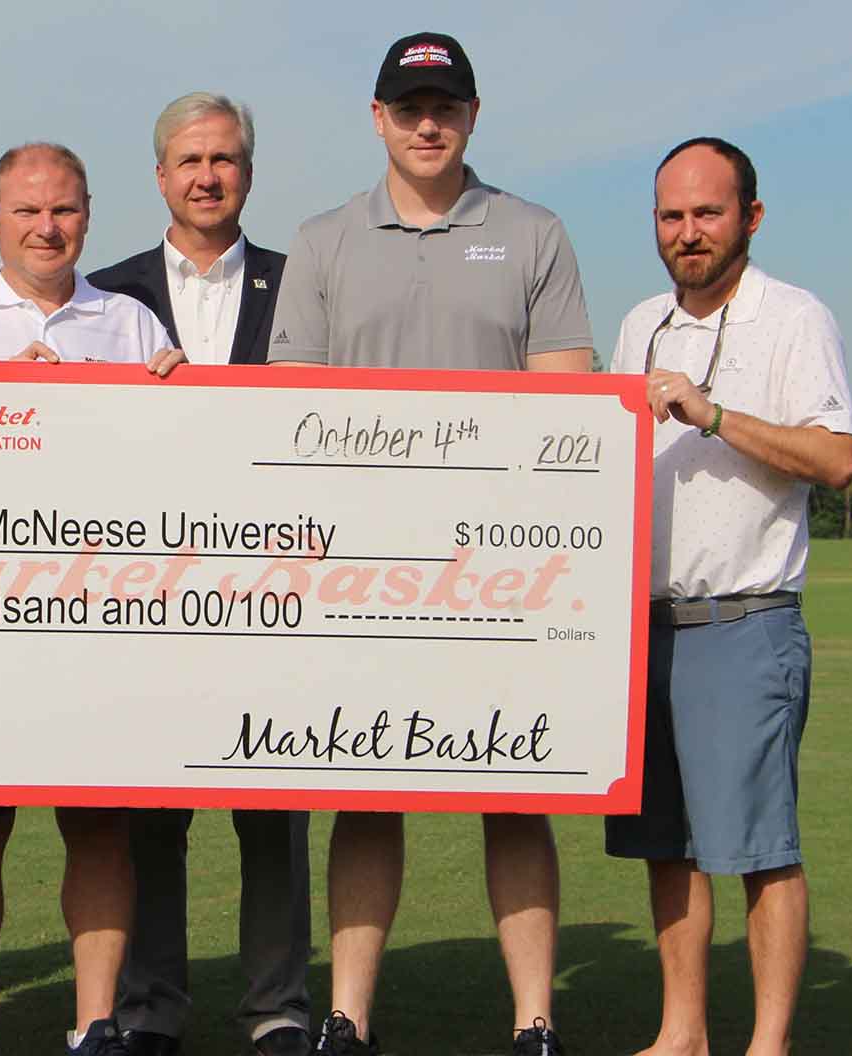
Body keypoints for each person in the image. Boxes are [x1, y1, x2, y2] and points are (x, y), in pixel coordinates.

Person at [266, 33, 592, 1056]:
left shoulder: (532, 232)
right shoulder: (322, 241)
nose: (426, 121)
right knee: (367, 791)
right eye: (408, 105)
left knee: (514, 792)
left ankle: (534, 1017)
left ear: (473, 114)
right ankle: (347, 1016)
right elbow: (290, 415)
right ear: (377, 118)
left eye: (444, 103)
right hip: (360, 573)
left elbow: (567, 398)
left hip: (501, 572)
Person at [0, 141, 182, 1056]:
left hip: (100, 622)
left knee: (99, 828)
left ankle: (93, 1022)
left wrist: (182, 400)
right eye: (26, 211)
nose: (45, 228)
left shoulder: (131, 323)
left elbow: (170, 472)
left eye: (62, 210)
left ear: (88, 215)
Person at [606, 136, 852, 1056]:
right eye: (671, 216)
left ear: (750, 216)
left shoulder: (794, 318)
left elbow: (836, 460)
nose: (688, 232)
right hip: (647, 628)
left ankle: (769, 1045)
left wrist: (711, 412)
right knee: (666, 846)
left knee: (758, 849)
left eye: (707, 213)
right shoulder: (638, 326)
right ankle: (682, 1035)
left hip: (745, 621)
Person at [85, 93, 310, 1056]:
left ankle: (278, 1007)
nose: (207, 175)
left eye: (224, 158)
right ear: (161, 176)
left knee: (274, 813)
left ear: (248, 173)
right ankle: (149, 1009)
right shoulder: (108, 292)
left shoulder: (305, 288)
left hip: (277, 591)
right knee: (150, 816)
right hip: (149, 594)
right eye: (189, 160)